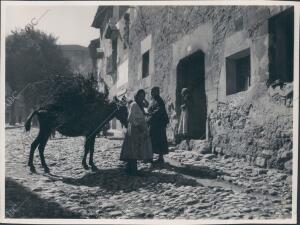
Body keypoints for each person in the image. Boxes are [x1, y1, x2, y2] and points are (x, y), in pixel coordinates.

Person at [120, 89, 153, 175]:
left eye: (143, 96)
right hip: (135, 129)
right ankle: (133, 170)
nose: (142, 98)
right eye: (140, 96)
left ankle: (130, 169)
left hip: (139, 130)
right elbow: (130, 118)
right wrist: (138, 126)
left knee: (135, 149)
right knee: (133, 149)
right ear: (136, 96)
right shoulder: (134, 104)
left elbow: (142, 112)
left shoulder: (139, 105)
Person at [147, 87, 169, 164]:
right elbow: (150, 108)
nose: (151, 93)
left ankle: (160, 157)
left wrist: (150, 114)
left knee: (160, 140)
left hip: (159, 124)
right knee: (152, 140)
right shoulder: (152, 100)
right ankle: (150, 156)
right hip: (153, 123)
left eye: (153, 91)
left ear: (157, 92)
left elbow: (159, 110)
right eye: (151, 91)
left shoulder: (159, 100)